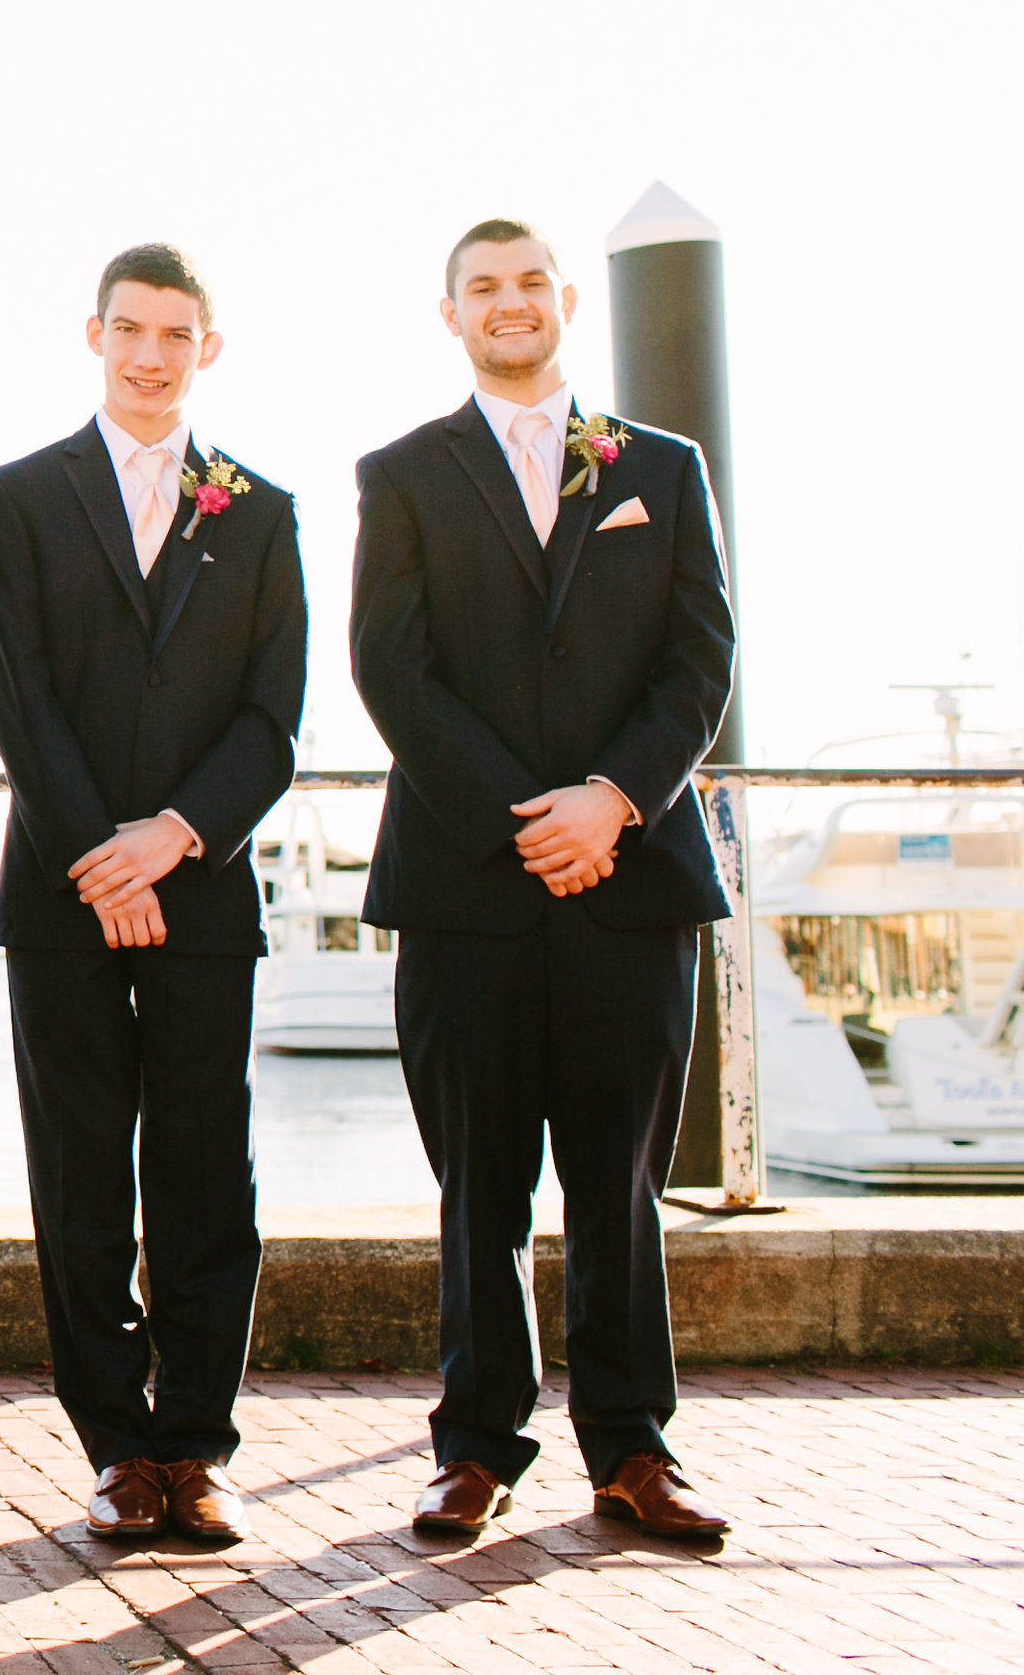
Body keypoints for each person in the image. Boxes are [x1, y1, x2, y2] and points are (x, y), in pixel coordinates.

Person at [351, 218, 736, 1545]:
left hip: (632, 878)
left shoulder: (662, 468)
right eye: (483, 288)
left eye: (528, 282)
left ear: (565, 298)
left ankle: (632, 1448)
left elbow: (699, 660)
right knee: (481, 1185)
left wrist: (611, 803)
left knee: (620, 1186)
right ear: (450, 313)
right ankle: (474, 1445)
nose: (508, 303)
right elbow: (391, 666)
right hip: (468, 883)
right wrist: (524, 820)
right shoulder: (403, 474)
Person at [0, 243, 304, 1549]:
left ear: (207, 348)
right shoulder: (19, 497)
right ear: (94, 335)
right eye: (131, 330)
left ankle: (197, 1447)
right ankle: (116, 1447)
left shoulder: (261, 511)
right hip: (60, 895)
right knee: (79, 1174)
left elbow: (272, 719)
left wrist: (173, 839)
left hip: (203, 892)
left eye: (175, 334)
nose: (151, 355)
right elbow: (16, 696)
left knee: (208, 1175)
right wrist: (98, 858)